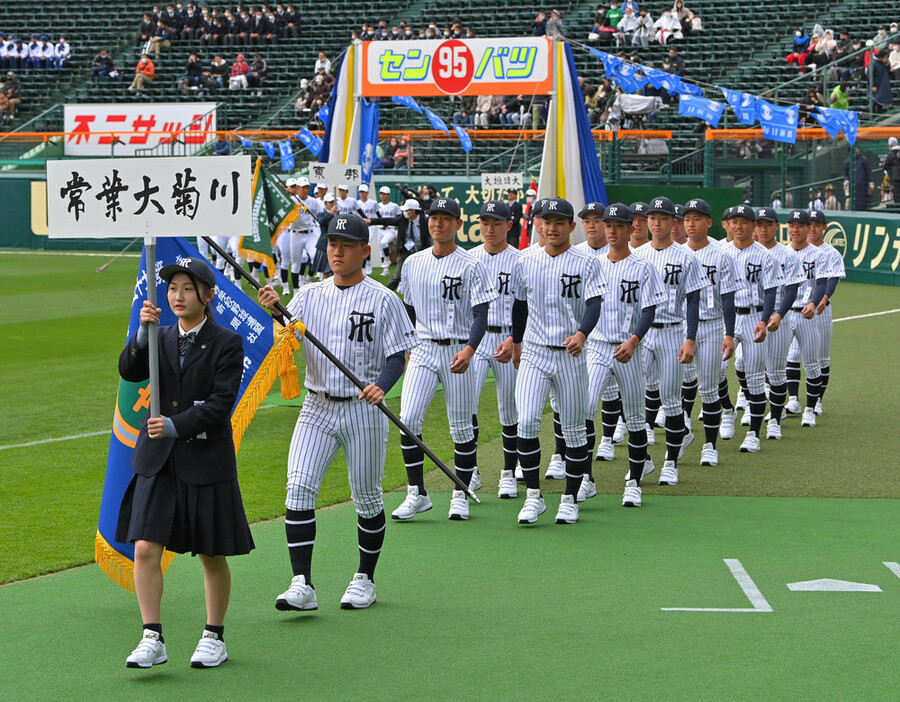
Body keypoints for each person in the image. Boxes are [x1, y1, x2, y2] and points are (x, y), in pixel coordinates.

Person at [256, 214, 416, 611]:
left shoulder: (383, 298)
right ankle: (302, 584)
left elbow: (398, 354)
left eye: (346, 244)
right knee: (298, 487)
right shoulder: (309, 295)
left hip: (364, 409)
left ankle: (365, 578)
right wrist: (277, 311)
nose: (337, 251)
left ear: (365, 250)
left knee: (366, 497)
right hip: (317, 404)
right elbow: (288, 334)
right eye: (332, 243)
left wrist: (383, 384)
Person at [117, 257, 254, 669]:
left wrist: (176, 425)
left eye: (187, 289)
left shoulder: (227, 341)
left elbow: (220, 404)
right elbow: (128, 370)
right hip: (158, 460)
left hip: (205, 459)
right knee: (144, 548)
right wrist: (141, 335)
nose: (177, 296)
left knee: (211, 554)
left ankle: (214, 636)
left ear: (207, 296)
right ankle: (151, 636)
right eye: (172, 288)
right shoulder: (157, 336)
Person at [390, 198, 497, 521]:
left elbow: (481, 312)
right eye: (434, 217)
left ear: (458, 224)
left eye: (446, 218)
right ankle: (417, 493)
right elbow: (407, 308)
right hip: (423, 348)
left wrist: (470, 349)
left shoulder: (472, 264)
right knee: (407, 420)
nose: (438, 223)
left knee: (462, 427)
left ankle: (461, 492)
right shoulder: (413, 262)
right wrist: (406, 345)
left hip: (458, 348)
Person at [509, 197, 606, 525]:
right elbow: (519, 305)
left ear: (571, 226)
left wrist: (582, 334)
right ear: (538, 223)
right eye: (545, 221)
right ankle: (534, 497)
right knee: (527, 422)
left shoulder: (587, 261)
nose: (551, 227)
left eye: (558, 222)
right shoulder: (525, 260)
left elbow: (594, 304)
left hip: (571, 356)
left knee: (575, 430)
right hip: (535, 351)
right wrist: (517, 342)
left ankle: (570, 498)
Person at [582, 203, 663, 507]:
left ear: (631, 229)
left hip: (630, 349)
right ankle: (586, 478)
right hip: (598, 347)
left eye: (619, 225)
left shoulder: (643, 266)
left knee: (634, 416)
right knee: (585, 411)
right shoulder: (593, 265)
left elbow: (649, 309)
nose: (612, 230)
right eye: (608, 225)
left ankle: (634, 481)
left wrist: (633, 341)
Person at [631, 197, 702, 485]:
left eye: (663, 218)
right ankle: (643, 460)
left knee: (671, 399)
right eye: (652, 217)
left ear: (674, 222)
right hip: (641, 334)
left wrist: (690, 339)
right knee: (635, 396)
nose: (657, 222)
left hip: (672, 331)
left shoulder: (686, 257)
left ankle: (671, 461)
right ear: (647, 221)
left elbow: (694, 301)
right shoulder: (637, 256)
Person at [469, 201, 522, 499]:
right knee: (466, 405)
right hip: (475, 341)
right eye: (485, 222)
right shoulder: (468, 259)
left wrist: (516, 338)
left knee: (509, 408)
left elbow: (527, 307)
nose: (490, 228)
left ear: (508, 225)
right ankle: (472, 470)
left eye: (496, 223)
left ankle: (507, 473)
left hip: (508, 338)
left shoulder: (521, 260)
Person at [718, 205, 779, 453]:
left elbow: (771, 290)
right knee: (716, 370)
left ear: (754, 226)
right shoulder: (721, 253)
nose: (739, 226)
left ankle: (753, 433)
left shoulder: (765, 256)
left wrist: (764, 320)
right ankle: (727, 410)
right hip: (725, 319)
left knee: (754, 377)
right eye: (735, 221)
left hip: (754, 315)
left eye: (744, 221)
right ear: (729, 224)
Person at [682, 199, 737, 466]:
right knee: (679, 383)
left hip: (713, 324)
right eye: (687, 219)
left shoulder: (721, 255)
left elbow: (727, 298)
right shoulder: (677, 253)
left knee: (709, 387)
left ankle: (710, 446)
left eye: (697, 218)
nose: (691, 223)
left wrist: (730, 333)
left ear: (708, 222)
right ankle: (681, 431)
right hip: (681, 326)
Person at [752, 207, 801, 441]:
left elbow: (792, 290)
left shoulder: (788, 255)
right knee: (745, 365)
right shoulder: (747, 252)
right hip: (752, 316)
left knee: (776, 373)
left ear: (776, 227)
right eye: (759, 224)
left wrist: (779, 314)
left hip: (779, 318)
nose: (763, 229)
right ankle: (752, 409)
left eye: (767, 224)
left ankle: (774, 419)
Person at [782, 209, 828, 428]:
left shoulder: (818, 254)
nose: (795, 229)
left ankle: (810, 408)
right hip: (785, 314)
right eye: (792, 225)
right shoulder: (781, 252)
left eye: (800, 225)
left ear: (808, 228)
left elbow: (822, 283)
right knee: (779, 362)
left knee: (811, 363)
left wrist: (814, 302)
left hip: (807, 314)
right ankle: (789, 402)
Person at [806, 209, 845, 416]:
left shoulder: (831, 253)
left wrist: (824, 298)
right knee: (793, 355)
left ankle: (817, 400)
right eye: (809, 224)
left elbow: (834, 278)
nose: (812, 228)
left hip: (822, 311)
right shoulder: (795, 250)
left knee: (822, 357)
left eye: (817, 224)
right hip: (800, 311)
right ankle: (794, 398)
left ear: (824, 227)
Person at [374, 186, 401, 276]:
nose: (382, 195)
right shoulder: (378, 205)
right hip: (380, 229)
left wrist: (393, 225)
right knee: (381, 249)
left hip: (390, 229)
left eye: (384, 194)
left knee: (384, 242)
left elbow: (399, 217)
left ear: (388, 195)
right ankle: (385, 270)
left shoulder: (394, 206)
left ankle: (387, 259)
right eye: (381, 193)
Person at [843, 145, 874, 210]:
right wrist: (846, 181)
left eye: (857, 148)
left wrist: (871, 184)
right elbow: (845, 175)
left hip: (863, 187)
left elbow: (869, 172)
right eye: (855, 149)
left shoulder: (864, 160)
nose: (857, 150)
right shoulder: (847, 162)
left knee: (863, 204)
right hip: (852, 188)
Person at [883, 137, 900, 203]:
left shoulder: (891, 154)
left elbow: (886, 166)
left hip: (895, 178)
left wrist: (883, 165)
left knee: (897, 196)